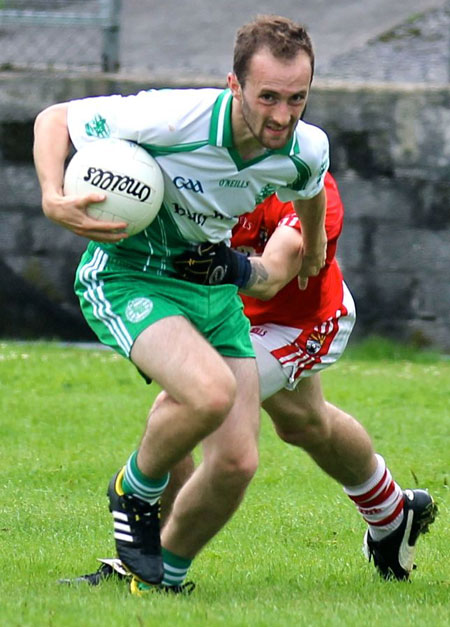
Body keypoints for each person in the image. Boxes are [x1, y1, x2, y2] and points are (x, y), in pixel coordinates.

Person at [33, 16, 330, 593]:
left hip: (211, 290)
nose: (282, 115)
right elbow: (56, 119)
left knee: (237, 463)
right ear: (234, 85)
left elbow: (311, 184)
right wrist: (50, 196)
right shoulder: (173, 117)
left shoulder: (304, 146)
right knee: (209, 392)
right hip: (131, 274)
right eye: (267, 96)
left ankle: (160, 577)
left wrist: (314, 244)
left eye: (297, 98)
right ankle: (134, 490)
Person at [65, 173, 437, 592]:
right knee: (304, 422)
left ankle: (146, 565)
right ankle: (391, 511)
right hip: (230, 314)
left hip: (300, 323)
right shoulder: (200, 163)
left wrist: (232, 265)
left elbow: (276, 272)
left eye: (292, 102)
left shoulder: (306, 183)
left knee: (187, 408)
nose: (275, 121)